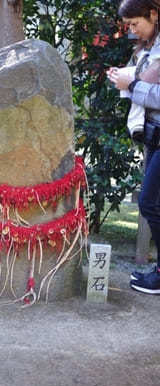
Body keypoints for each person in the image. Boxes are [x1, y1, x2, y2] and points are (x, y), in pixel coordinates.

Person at [108, 0, 160, 294]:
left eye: (134, 24)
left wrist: (131, 85)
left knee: (148, 203)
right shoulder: (149, 45)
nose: (132, 30)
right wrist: (125, 78)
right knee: (153, 203)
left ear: (152, 14)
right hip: (154, 135)